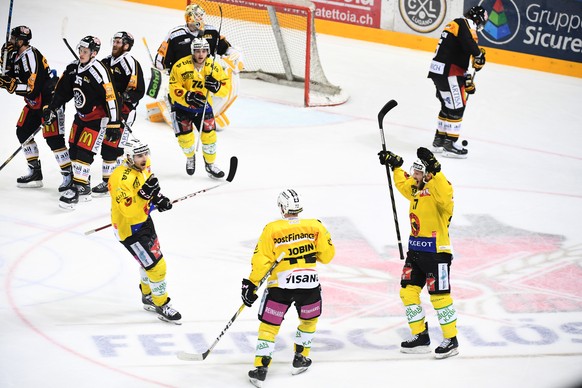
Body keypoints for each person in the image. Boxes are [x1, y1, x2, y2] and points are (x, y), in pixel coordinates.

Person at [241, 189, 335, 387]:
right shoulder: (315, 226)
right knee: (308, 323)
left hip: (280, 288)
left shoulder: (272, 229)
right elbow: (327, 256)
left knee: (269, 327)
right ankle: (301, 358)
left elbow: (261, 261)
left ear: (283, 207)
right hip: (309, 287)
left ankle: (261, 368)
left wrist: (251, 284)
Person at [378, 147, 459, 359]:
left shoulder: (439, 191)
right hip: (415, 252)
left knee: (440, 298)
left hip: (437, 254)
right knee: (407, 292)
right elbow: (403, 184)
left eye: (418, 172)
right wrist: (396, 166)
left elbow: (446, 193)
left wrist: (436, 170)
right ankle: (420, 336)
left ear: (429, 174)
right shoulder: (416, 188)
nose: (414, 176)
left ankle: (451, 339)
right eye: (414, 172)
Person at [42, 36, 122, 210]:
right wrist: (51, 107)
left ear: (94, 53)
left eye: (85, 52)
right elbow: (62, 91)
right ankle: (83, 183)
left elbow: (111, 98)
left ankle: (78, 188)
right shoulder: (73, 68)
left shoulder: (99, 71)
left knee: (85, 153)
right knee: (73, 149)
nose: (81, 54)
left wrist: (114, 123)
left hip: (98, 119)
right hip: (80, 117)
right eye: (81, 50)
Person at [108, 138, 181, 324]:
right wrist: (144, 196)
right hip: (130, 231)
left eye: (146, 153)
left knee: (149, 262)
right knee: (157, 267)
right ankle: (161, 303)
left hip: (144, 222)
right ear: (129, 157)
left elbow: (149, 186)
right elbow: (128, 210)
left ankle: (147, 295)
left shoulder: (144, 166)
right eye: (139, 155)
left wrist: (158, 199)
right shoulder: (120, 178)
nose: (144, 158)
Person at [0, 26, 71, 190]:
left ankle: (69, 176)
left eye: (13, 39)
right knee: (23, 132)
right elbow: (7, 74)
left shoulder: (30, 56)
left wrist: (11, 85)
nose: (10, 41)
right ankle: (35, 172)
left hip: (49, 102)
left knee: (54, 140)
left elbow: (33, 88)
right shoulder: (16, 55)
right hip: (33, 103)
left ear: (21, 41)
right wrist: (4, 58)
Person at [153, 3, 243, 130]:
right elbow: (160, 61)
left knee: (223, 87)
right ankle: (172, 101)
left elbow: (227, 49)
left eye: (201, 16)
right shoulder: (175, 34)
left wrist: (235, 54)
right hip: (183, 77)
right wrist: (167, 73)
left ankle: (210, 112)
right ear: (189, 17)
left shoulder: (211, 32)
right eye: (196, 16)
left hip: (203, 74)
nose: (200, 19)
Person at [427, 5, 488, 158]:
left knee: (447, 106)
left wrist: (466, 78)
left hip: (439, 71)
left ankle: (439, 141)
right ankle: (450, 145)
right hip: (450, 72)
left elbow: (456, 52)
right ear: (478, 19)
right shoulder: (464, 24)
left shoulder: (455, 25)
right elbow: (468, 44)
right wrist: (478, 54)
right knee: (457, 108)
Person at [168, 37, 230, 178]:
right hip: (182, 108)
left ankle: (210, 164)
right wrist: (187, 96)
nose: (201, 54)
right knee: (185, 140)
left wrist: (217, 86)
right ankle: (190, 157)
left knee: (210, 139)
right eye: (197, 51)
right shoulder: (180, 66)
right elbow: (173, 87)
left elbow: (226, 87)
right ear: (192, 51)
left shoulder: (214, 66)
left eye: (203, 51)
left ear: (208, 51)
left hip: (204, 108)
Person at [92, 31, 145, 197]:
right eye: (114, 41)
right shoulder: (106, 61)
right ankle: (116, 179)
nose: (115, 44)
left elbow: (138, 91)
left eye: (118, 42)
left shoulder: (130, 63)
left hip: (124, 113)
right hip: (108, 111)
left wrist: (123, 99)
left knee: (113, 147)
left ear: (126, 46)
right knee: (108, 146)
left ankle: (112, 182)